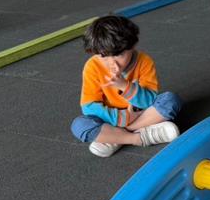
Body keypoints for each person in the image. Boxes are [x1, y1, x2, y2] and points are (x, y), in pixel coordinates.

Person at [71, 15, 182, 157]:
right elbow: (88, 107)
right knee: (79, 125)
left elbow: (148, 100)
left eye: (119, 55)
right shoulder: (92, 66)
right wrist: (123, 118)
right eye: (103, 56)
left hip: (141, 113)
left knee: (171, 100)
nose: (112, 63)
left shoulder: (144, 61)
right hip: (111, 117)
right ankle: (137, 138)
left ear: (132, 46)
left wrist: (124, 86)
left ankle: (117, 137)